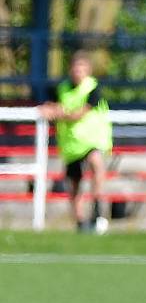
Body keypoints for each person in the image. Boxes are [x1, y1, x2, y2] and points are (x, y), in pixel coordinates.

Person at [38, 51, 112, 233]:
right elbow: (48, 107)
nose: (78, 72)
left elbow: (81, 112)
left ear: (88, 70)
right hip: (71, 144)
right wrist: (52, 109)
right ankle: (80, 222)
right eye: (76, 68)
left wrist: (60, 112)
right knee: (74, 183)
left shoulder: (93, 88)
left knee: (96, 164)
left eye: (82, 68)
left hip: (92, 139)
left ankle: (97, 205)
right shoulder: (61, 88)